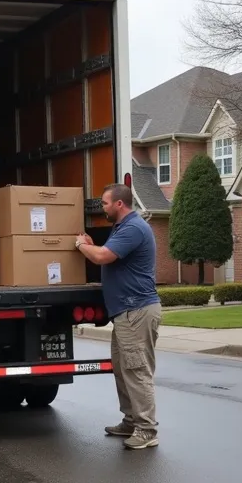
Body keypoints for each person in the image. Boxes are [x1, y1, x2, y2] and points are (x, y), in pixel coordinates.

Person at [74, 183, 161, 450]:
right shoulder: (122, 228)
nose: (102, 208)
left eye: (104, 203)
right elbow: (107, 253)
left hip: (136, 311)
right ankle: (131, 420)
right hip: (126, 313)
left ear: (119, 204)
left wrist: (81, 246)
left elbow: (102, 257)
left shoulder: (133, 228)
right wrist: (93, 245)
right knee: (123, 369)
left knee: (136, 371)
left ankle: (147, 429)